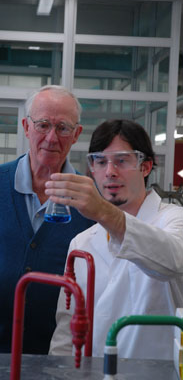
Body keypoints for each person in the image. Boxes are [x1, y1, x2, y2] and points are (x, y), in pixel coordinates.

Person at [0, 85, 95, 354]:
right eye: (43, 124)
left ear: (77, 134)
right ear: (26, 126)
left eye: (63, 127)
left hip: (59, 353)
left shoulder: (90, 201)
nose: (52, 137)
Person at [48, 119, 183, 360]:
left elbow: (171, 260)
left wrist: (103, 211)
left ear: (145, 166)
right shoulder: (82, 242)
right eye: (100, 161)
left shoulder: (174, 220)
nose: (110, 171)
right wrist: (61, 371)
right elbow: (67, 327)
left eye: (122, 160)